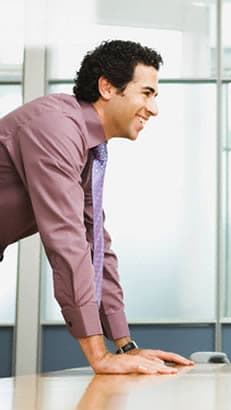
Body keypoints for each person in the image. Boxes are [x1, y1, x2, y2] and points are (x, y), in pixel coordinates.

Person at [0, 40, 193, 374]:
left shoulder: (88, 147)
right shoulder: (56, 127)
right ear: (107, 87)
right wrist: (99, 357)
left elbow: (95, 244)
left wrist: (125, 346)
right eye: (147, 93)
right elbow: (66, 241)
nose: (154, 109)